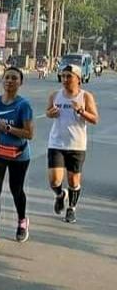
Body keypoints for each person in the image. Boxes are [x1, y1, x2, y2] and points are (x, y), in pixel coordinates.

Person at [0, 67, 35, 248]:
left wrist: (9, 129)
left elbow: (29, 134)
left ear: (20, 82)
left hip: (18, 154)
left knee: (16, 189)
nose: (10, 81)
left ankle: (22, 221)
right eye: (7, 78)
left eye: (14, 78)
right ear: (2, 80)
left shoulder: (23, 105)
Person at [46, 64, 99, 223]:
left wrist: (81, 111)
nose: (65, 79)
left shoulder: (85, 96)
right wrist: (51, 113)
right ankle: (60, 195)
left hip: (76, 144)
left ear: (78, 78)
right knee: (54, 180)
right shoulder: (55, 95)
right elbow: (48, 112)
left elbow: (95, 119)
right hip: (56, 143)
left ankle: (71, 208)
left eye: (69, 76)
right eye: (63, 76)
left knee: (74, 181)